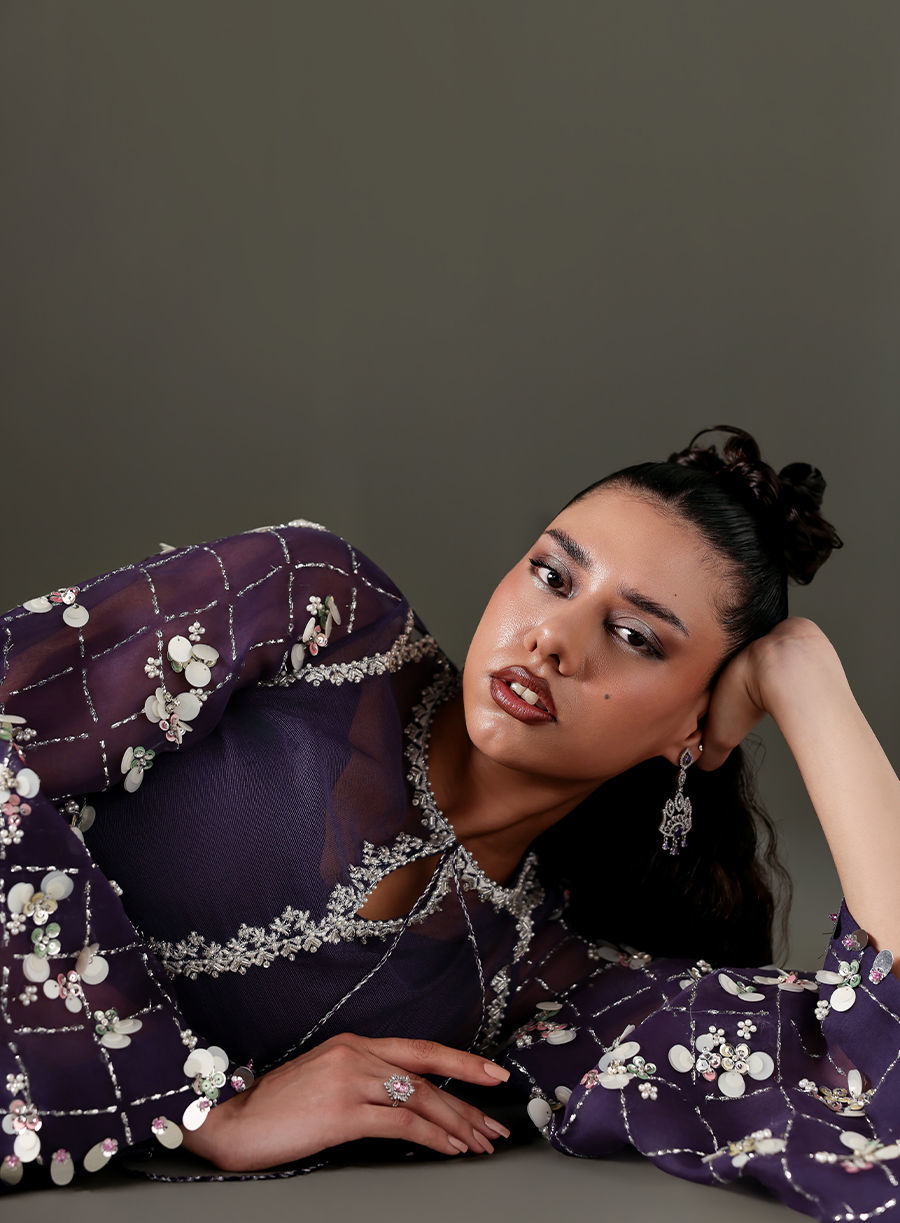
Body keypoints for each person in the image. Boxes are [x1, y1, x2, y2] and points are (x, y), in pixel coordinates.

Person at [1, 427, 897, 1219]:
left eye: (634, 636)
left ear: (691, 730)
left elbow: (868, 1089)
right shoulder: (317, 609)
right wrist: (203, 1111)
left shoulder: (545, 983)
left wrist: (805, 679)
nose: (552, 639)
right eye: (552, 575)